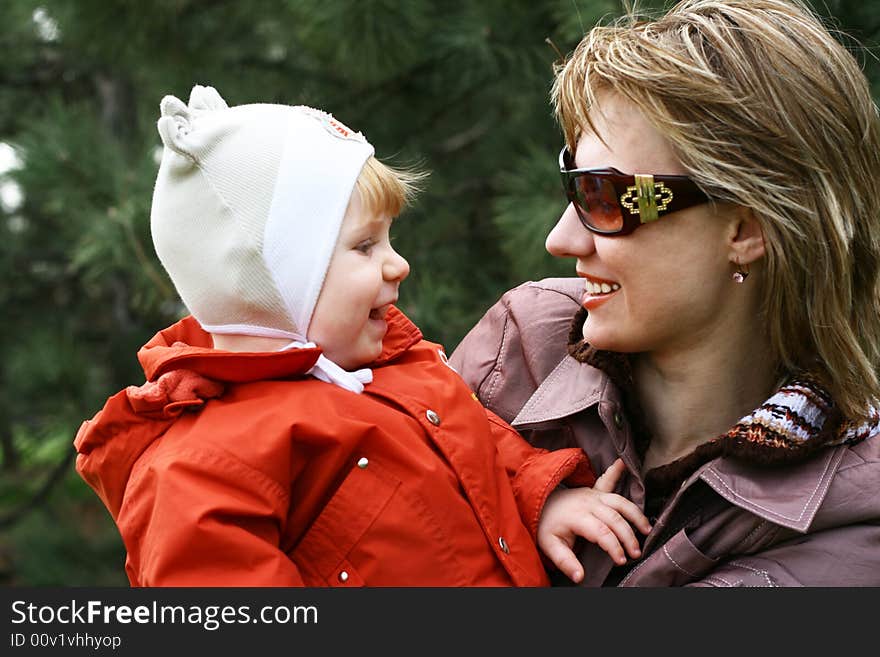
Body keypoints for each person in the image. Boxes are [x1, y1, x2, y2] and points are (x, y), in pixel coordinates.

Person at [74, 85, 651, 586]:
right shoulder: (201, 468)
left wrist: (540, 500)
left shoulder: (398, 371)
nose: (397, 265)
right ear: (275, 279)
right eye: (364, 246)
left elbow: (476, 448)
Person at [450, 0, 880, 586]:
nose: (560, 237)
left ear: (745, 228)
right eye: (569, 183)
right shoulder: (522, 348)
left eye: (602, 196)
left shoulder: (853, 522)